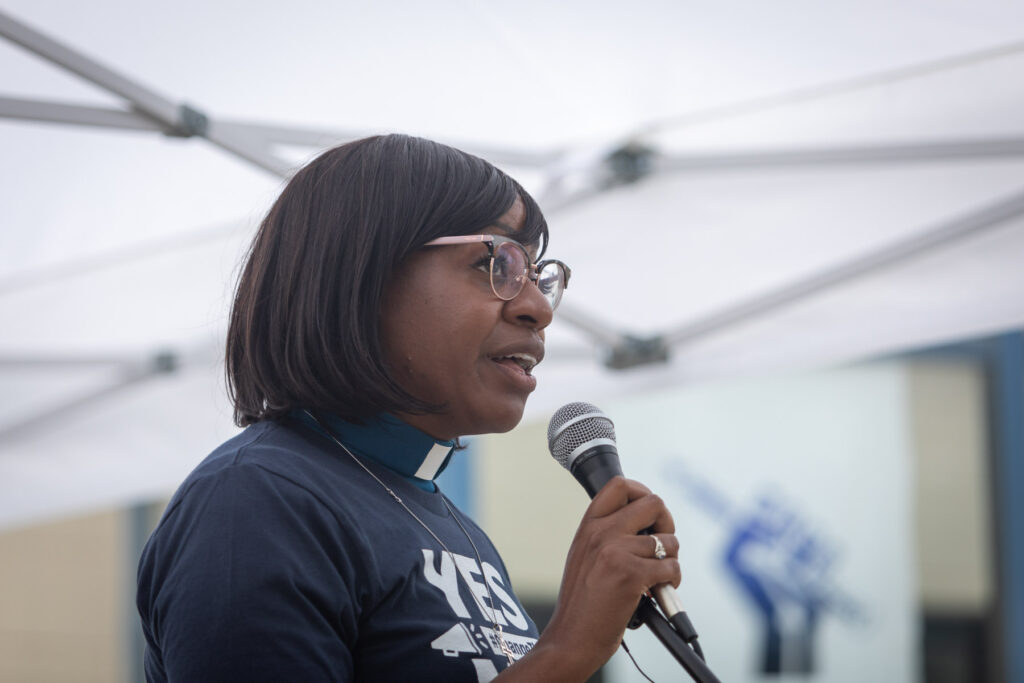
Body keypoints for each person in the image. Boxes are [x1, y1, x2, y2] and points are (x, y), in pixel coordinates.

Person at [136, 134, 680, 682]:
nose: (538, 307)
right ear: (360, 275)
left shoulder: (457, 529)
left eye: (538, 276)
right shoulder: (255, 501)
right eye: (497, 262)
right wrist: (566, 651)